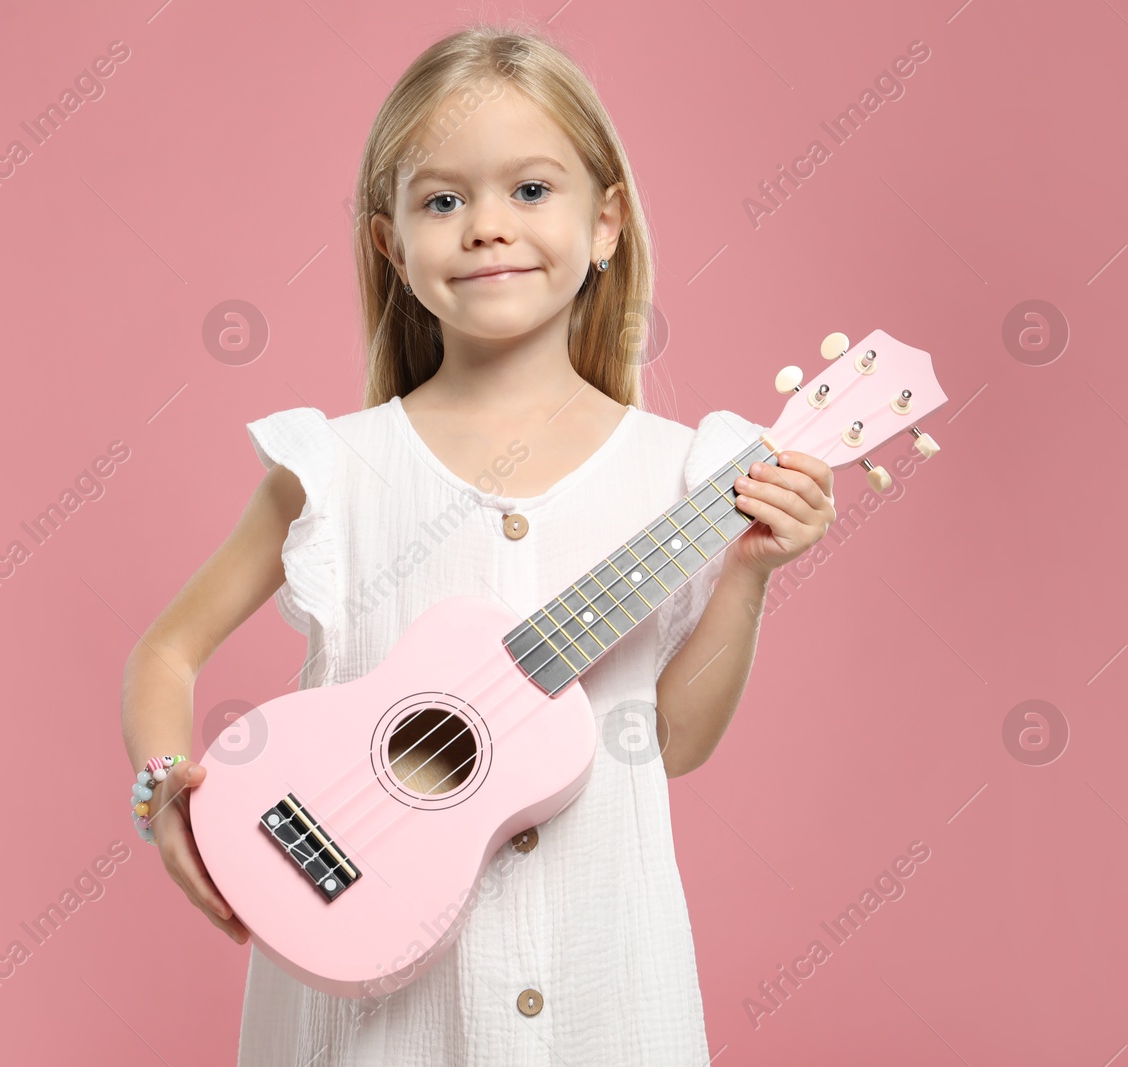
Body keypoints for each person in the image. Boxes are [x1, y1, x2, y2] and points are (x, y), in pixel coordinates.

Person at [119, 22, 836, 1066]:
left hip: (605, 990)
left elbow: (666, 744)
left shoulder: (683, 479)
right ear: (389, 242)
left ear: (607, 223)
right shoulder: (332, 472)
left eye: (531, 190)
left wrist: (748, 577)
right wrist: (165, 790)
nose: (487, 226)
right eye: (442, 199)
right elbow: (164, 650)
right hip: (367, 1018)